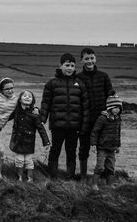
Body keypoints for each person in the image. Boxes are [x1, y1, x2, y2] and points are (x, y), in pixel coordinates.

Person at [40, 53, 89, 179]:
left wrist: (84, 125)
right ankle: (53, 176)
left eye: (72, 65)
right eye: (67, 65)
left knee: (71, 151)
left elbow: (85, 106)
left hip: (74, 125)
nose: (70, 68)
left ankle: (70, 176)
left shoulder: (80, 84)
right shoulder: (52, 83)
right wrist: (42, 119)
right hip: (57, 124)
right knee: (55, 149)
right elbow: (46, 103)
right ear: (60, 66)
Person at [77, 48, 115, 182]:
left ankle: (105, 176)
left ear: (95, 58)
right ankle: (83, 176)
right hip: (85, 119)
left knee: (104, 148)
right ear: (82, 60)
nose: (89, 61)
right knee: (84, 148)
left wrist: (110, 110)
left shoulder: (103, 76)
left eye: (92, 58)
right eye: (86, 58)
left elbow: (110, 95)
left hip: (102, 119)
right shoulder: (78, 77)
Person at [9, 90, 50, 182]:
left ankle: (30, 178)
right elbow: (6, 118)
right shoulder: (16, 111)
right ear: (20, 99)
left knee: (28, 160)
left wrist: (46, 141)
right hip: (18, 140)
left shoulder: (34, 114)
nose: (27, 97)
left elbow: (41, 128)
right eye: (25, 96)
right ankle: (19, 177)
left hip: (29, 141)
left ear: (33, 100)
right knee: (19, 160)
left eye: (30, 96)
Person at [90, 95, 123, 191]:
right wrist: (93, 144)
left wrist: (118, 145)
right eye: (115, 108)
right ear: (109, 108)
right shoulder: (102, 118)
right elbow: (95, 132)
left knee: (111, 167)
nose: (117, 110)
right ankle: (94, 184)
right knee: (100, 167)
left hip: (112, 148)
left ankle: (109, 184)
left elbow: (118, 133)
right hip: (102, 147)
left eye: (119, 108)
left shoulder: (118, 119)